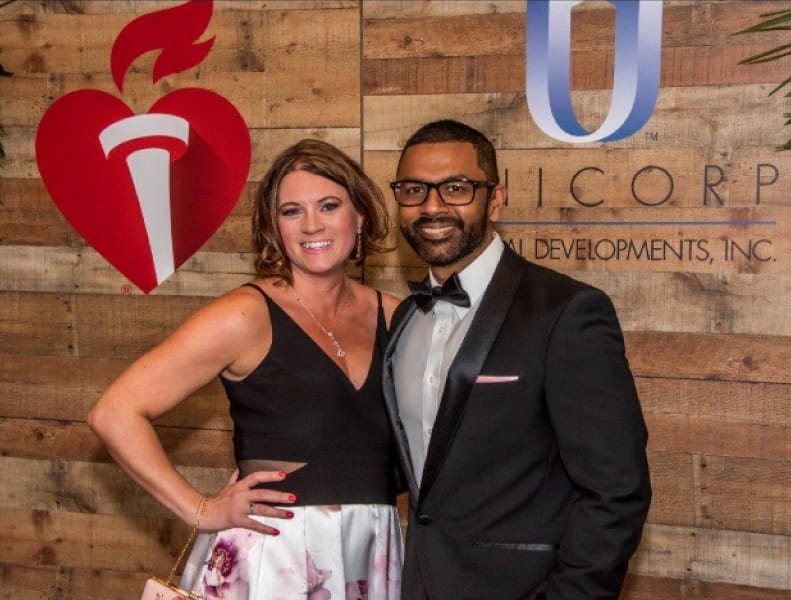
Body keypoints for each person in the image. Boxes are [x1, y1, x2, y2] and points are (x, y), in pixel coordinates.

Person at [89, 139, 403, 600]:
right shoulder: (245, 315)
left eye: (329, 206)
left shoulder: (397, 316)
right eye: (292, 211)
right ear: (274, 227)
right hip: (274, 556)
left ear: (360, 216)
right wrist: (200, 510)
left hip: (371, 546)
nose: (312, 224)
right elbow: (114, 412)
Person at [382, 120, 651, 600]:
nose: (432, 206)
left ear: (496, 200)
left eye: (457, 188)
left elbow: (617, 492)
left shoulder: (566, 313)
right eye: (414, 189)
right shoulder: (405, 317)